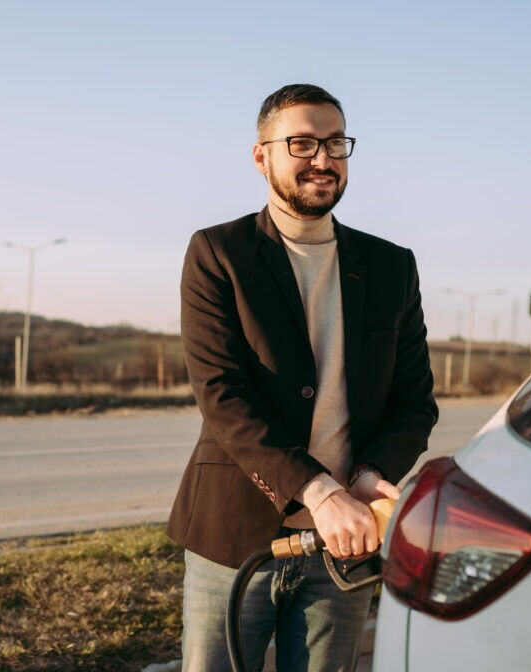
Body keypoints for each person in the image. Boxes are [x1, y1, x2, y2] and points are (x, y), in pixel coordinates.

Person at [166, 83, 438, 672]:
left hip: (346, 546)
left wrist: (368, 475)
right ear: (261, 156)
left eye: (336, 143)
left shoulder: (392, 266)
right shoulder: (218, 252)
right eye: (303, 143)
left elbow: (415, 402)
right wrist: (319, 491)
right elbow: (222, 395)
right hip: (233, 539)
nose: (323, 158)